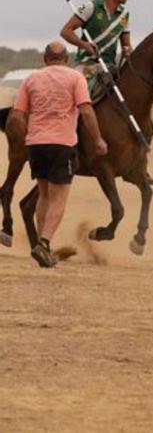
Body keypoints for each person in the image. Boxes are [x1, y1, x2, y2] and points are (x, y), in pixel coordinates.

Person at [9, 42, 107, 268]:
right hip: (62, 144)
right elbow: (86, 110)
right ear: (66, 59)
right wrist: (98, 140)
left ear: (44, 59)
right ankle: (43, 243)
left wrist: (27, 136)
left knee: (44, 195)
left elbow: (17, 115)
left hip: (36, 144)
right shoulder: (75, 78)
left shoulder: (31, 79)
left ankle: (44, 246)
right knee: (59, 198)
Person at [59, 0, 136, 92]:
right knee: (72, 91)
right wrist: (84, 44)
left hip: (109, 66)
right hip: (86, 65)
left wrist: (128, 50)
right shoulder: (91, 7)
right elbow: (65, 31)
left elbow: (126, 45)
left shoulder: (124, 15)